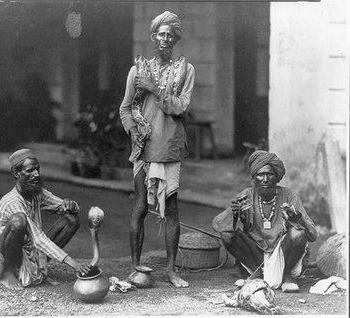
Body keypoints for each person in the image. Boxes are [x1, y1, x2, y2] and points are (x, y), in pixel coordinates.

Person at [119, 11, 195, 288]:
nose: (165, 38)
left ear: (175, 38)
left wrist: (154, 89)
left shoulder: (186, 70)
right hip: (143, 147)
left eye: (170, 34)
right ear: (153, 37)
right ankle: (135, 266)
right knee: (140, 207)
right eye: (160, 34)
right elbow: (125, 109)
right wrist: (133, 129)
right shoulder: (137, 70)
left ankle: (172, 271)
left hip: (171, 144)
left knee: (171, 209)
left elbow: (180, 106)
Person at [0, 149, 91, 290]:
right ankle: (8, 273)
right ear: (17, 174)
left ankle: (38, 266)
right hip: (2, 257)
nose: (36, 174)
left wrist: (71, 204)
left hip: (27, 248)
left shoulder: (37, 192)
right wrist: (75, 264)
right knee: (19, 220)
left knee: (71, 220)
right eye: (30, 171)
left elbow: (63, 206)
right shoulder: (11, 201)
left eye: (37, 169)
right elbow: (38, 238)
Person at [212, 150, 317, 292]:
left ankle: (286, 276)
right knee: (227, 235)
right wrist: (234, 215)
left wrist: (297, 219)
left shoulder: (289, 195)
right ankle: (259, 274)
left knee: (298, 234)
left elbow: (313, 234)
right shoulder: (247, 195)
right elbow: (218, 225)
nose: (265, 179)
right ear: (254, 178)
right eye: (261, 174)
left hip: (283, 254)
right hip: (256, 255)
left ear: (277, 177)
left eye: (270, 174)